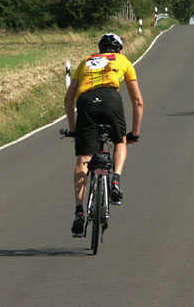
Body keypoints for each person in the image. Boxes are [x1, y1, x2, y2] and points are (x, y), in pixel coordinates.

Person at [64, 33, 143, 237]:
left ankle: (79, 212)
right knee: (119, 141)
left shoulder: (85, 62)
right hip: (110, 100)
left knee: (82, 159)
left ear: (100, 49)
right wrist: (134, 132)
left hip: (86, 102)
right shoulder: (123, 61)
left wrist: (73, 129)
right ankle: (115, 179)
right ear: (119, 49)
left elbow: (68, 99)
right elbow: (138, 102)